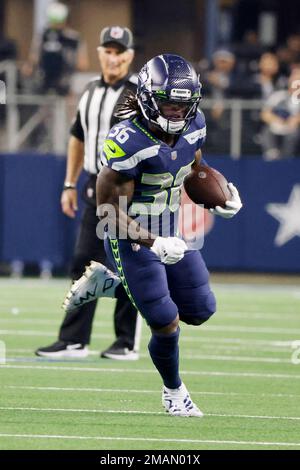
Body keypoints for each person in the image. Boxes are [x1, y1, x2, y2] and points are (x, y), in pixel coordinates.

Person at [62, 54, 242, 416]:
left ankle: (109, 284)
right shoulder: (127, 140)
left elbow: (193, 168)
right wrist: (154, 242)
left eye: (183, 106)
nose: (176, 113)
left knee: (201, 309)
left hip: (170, 230)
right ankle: (174, 392)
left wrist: (218, 197)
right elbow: (107, 212)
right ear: (146, 98)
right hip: (130, 235)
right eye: (168, 104)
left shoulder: (195, 126)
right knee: (164, 320)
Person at [35, 26, 140, 360]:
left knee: (128, 262)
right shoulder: (90, 90)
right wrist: (70, 182)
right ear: (99, 54)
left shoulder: (139, 94)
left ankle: (126, 341)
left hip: (129, 184)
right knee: (84, 260)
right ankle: (74, 339)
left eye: (119, 51)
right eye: (107, 51)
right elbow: (78, 137)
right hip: (96, 183)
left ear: (130, 55)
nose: (113, 57)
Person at [22, 1, 89, 95]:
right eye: (52, 22)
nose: (55, 26)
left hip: (66, 84)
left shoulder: (74, 39)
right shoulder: (42, 36)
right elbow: (33, 60)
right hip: (43, 84)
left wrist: (65, 63)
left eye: (58, 22)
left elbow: (83, 65)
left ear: (65, 21)